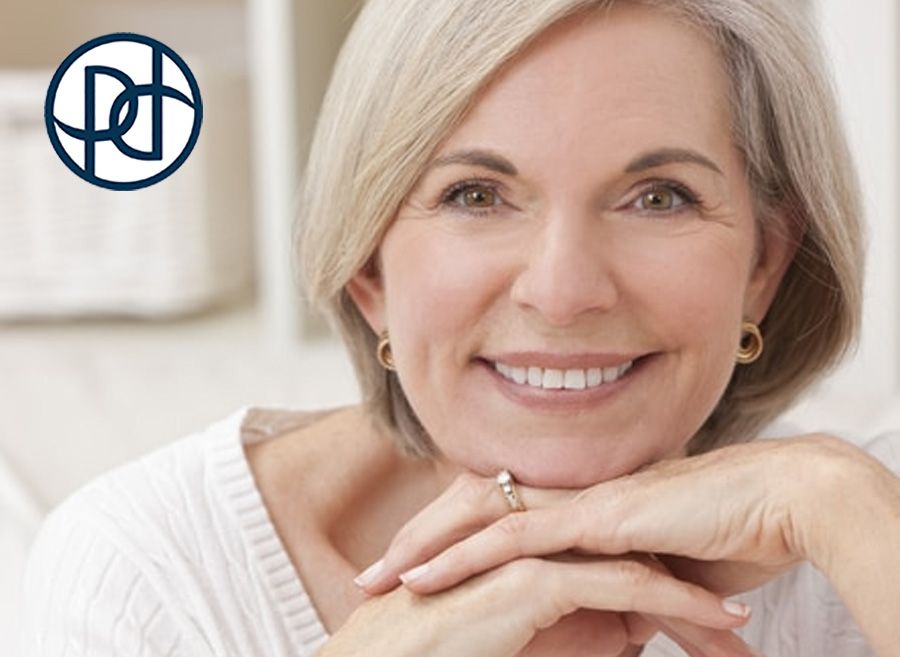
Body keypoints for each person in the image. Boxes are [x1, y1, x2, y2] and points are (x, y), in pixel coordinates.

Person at [21, 0, 900, 656]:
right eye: (475, 196)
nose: (562, 291)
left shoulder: (855, 538)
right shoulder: (142, 579)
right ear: (367, 270)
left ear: (763, 267)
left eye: (658, 197)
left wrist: (850, 506)